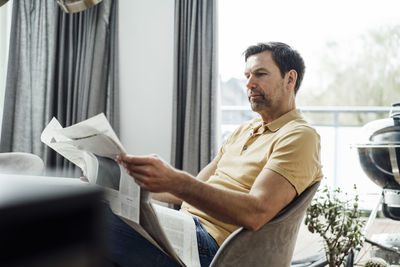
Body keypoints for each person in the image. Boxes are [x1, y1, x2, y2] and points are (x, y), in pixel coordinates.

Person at [108, 42, 323, 267]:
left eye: (260, 74)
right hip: (185, 227)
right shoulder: (243, 130)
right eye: (247, 75)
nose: (249, 84)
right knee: (96, 201)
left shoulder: (299, 136)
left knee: (88, 217)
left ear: (290, 79)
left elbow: (256, 212)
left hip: (215, 248)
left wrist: (178, 181)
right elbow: (192, 190)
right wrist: (123, 183)